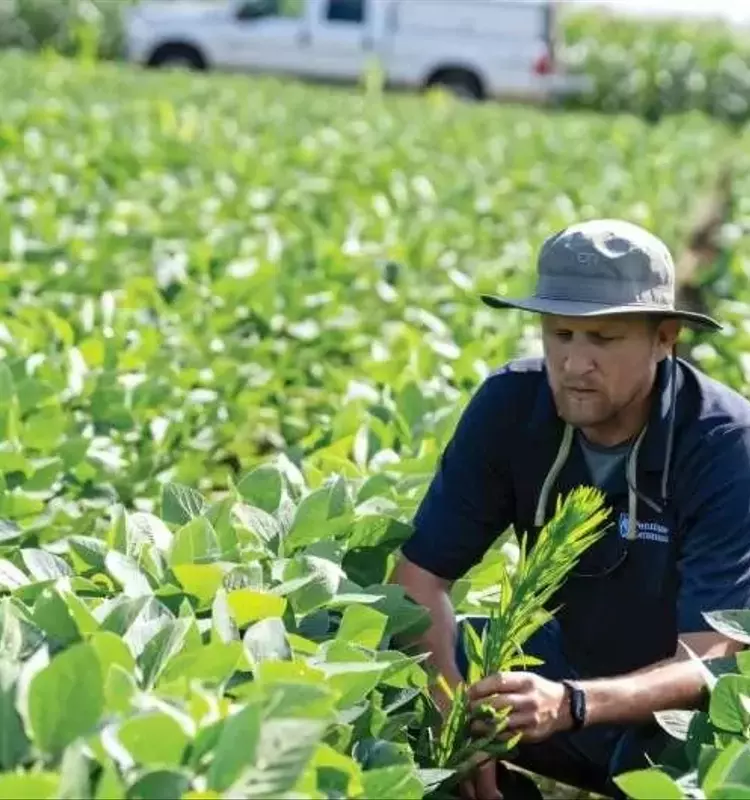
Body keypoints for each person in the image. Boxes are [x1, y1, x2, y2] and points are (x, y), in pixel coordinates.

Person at [392, 219, 750, 800]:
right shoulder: (510, 406)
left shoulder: (722, 440)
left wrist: (574, 704)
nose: (575, 364)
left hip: (673, 719)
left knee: (720, 748)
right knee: (392, 658)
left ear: (665, 338)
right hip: (568, 665)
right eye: (560, 335)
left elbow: (709, 660)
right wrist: (452, 723)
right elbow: (418, 580)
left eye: (603, 340)